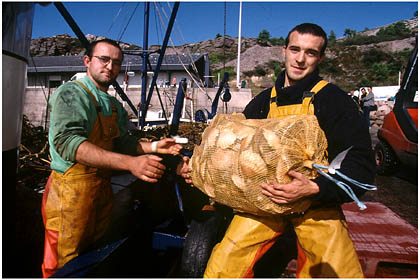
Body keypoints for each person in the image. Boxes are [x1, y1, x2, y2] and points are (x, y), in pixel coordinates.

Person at [199, 23, 376, 278]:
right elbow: (234, 150)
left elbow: (361, 163)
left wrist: (315, 188)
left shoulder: (335, 101)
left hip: (314, 203)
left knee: (337, 270)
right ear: (284, 50)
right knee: (225, 263)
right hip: (265, 202)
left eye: (311, 53)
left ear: (321, 57)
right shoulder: (261, 103)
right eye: (295, 49)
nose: (300, 59)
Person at [41, 39, 187, 277]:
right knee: (63, 264)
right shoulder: (70, 94)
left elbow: (123, 143)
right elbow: (69, 144)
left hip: (100, 191)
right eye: (104, 59)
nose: (110, 67)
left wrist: (154, 146)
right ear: (87, 61)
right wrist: (131, 164)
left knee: (93, 256)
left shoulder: (111, 104)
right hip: (69, 194)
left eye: (116, 62)